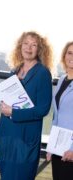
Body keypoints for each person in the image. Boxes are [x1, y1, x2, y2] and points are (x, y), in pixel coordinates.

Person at [0, 31, 53, 180]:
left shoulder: (43, 73)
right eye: (26, 43)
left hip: (25, 140)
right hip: (6, 135)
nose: (29, 48)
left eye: (34, 45)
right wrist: (3, 104)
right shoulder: (15, 71)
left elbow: (43, 109)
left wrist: (14, 112)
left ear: (39, 50)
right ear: (20, 47)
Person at [46, 41, 73, 180]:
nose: (72, 56)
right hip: (59, 147)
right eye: (70, 53)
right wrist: (51, 145)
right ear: (64, 56)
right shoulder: (62, 79)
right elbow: (56, 116)